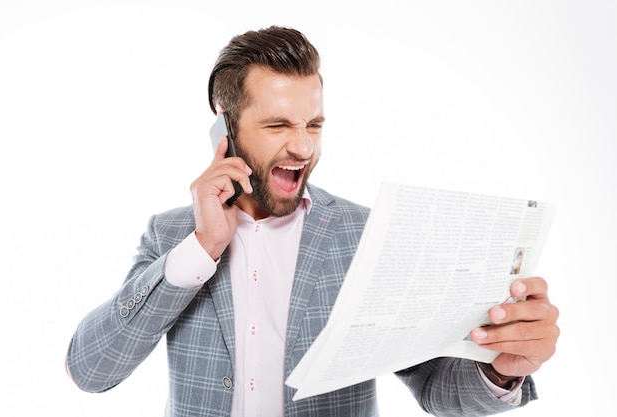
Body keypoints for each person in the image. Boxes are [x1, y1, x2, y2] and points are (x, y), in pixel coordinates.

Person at [65, 26, 560, 417]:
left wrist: (500, 374)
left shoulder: (364, 234)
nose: (303, 147)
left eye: (314, 125)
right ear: (226, 126)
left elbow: (434, 387)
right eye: (278, 125)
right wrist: (201, 248)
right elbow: (91, 370)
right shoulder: (171, 236)